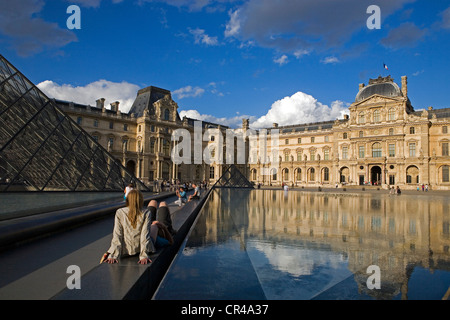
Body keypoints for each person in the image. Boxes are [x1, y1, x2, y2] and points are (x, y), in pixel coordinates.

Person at [104, 189, 154, 264]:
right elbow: (145, 235)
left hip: (124, 250)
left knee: (155, 227)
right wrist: (143, 255)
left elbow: (117, 234)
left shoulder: (120, 212)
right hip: (139, 248)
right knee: (155, 227)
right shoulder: (146, 212)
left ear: (127, 200)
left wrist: (113, 255)